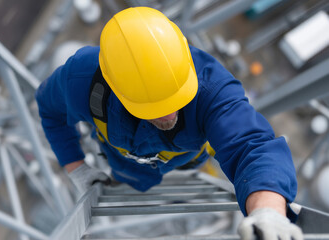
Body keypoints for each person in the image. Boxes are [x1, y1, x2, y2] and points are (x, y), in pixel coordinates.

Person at [35, 7, 303, 240]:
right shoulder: (82, 80)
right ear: (115, 88)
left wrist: (267, 209)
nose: (168, 115)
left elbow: (252, 146)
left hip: (185, 169)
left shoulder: (212, 89)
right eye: (153, 108)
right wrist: (76, 167)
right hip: (120, 170)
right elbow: (50, 110)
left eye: (175, 98)